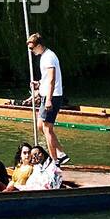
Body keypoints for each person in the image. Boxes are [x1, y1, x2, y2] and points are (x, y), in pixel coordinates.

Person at [28, 33, 70, 165]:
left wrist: (48, 100)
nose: (31, 51)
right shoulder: (44, 57)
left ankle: (54, 160)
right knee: (40, 125)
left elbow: (52, 79)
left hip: (52, 96)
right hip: (46, 93)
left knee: (47, 128)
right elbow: (47, 78)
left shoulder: (49, 57)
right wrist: (39, 83)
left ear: (39, 46)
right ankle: (61, 154)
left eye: (32, 48)